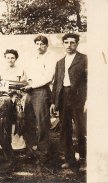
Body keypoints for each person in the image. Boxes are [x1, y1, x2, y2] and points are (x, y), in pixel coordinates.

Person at [50, 33, 87, 172]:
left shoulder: (84, 59)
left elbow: (89, 81)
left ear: (77, 44)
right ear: (63, 44)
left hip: (78, 98)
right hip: (63, 97)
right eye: (66, 42)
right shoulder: (60, 62)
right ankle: (69, 159)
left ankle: (83, 160)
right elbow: (56, 84)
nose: (69, 45)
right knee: (65, 130)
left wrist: (88, 100)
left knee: (80, 129)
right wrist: (54, 102)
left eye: (72, 42)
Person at [21, 35, 57, 167]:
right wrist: (25, 82)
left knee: (42, 123)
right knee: (28, 120)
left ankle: (44, 154)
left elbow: (49, 76)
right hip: (29, 91)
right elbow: (27, 74)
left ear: (46, 45)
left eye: (42, 44)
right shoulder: (32, 57)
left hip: (41, 91)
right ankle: (31, 151)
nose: (39, 46)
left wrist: (33, 85)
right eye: (37, 44)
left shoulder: (51, 57)